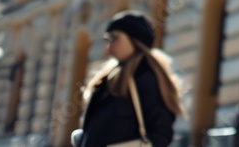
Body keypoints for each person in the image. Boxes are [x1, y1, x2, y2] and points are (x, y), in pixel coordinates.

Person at [71, 11, 184, 147]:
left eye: (115, 38)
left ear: (135, 40)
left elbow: (161, 135)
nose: (109, 46)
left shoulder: (148, 78)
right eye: (107, 39)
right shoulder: (106, 78)